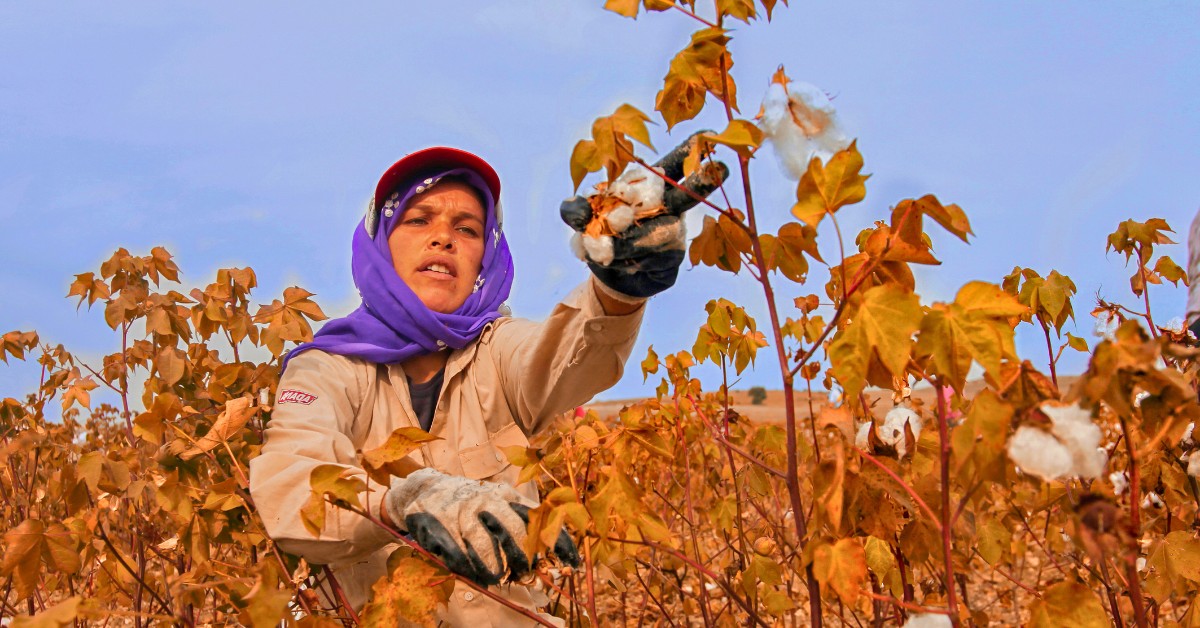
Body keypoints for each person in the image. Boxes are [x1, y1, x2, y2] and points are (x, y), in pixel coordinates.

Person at [248, 140, 725, 625]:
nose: (443, 238)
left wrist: (618, 289)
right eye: (418, 219)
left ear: (486, 255)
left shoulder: (497, 350)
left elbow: (567, 355)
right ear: (380, 242)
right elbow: (290, 489)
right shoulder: (327, 368)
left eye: (467, 228)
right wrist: (398, 503)